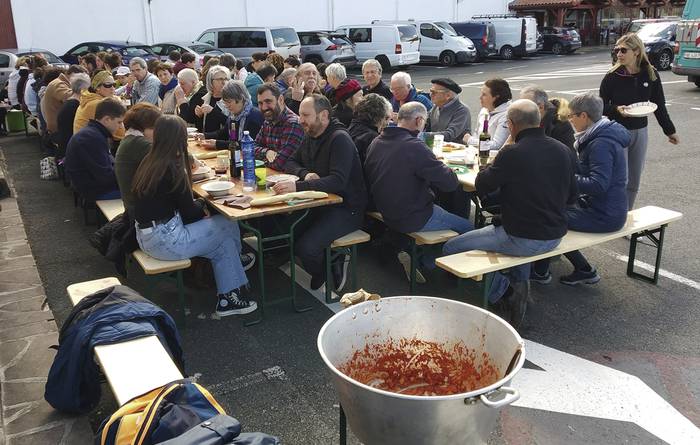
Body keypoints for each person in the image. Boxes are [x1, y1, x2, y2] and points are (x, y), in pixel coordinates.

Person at [443, 100, 578, 329]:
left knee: (449, 248)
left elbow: (482, 184)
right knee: (514, 238)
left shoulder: (513, 153)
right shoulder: (563, 150)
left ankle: (503, 292)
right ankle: (520, 286)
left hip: (521, 237)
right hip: (555, 235)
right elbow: (572, 197)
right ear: (539, 120)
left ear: (511, 125)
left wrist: (500, 154)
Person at [131, 115, 256, 317]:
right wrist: (203, 203)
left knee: (223, 243)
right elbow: (190, 214)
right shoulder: (172, 166)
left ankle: (229, 298)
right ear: (180, 138)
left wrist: (200, 206)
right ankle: (237, 263)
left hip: (147, 236)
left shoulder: (150, 160)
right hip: (166, 240)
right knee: (226, 222)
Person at [365, 102, 473, 282]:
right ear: (419, 120)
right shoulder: (414, 146)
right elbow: (450, 183)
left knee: (445, 214)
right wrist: (441, 166)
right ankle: (428, 262)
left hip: (385, 210)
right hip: (414, 215)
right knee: (468, 229)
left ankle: (420, 256)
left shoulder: (377, 141)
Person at [532, 93, 629, 286]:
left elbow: (598, 184)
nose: (569, 121)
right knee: (551, 208)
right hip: (603, 207)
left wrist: (565, 177)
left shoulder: (601, 143)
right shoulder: (599, 134)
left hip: (604, 215)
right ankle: (582, 269)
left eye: (572, 116)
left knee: (546, 216)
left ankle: (541, 271)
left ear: (584, 116)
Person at [273, 94, 367, 291]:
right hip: (319, 203)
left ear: (323, 115)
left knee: (306, 248)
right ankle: (329, 257)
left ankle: (329, 264)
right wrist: (305, 174)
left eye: (306, 115)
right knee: (287, 234)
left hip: (347, 208)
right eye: (300, 115)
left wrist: (298, 186)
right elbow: (290, 162)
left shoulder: (340, 139)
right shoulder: (311, 135)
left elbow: (338, 182)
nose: (301, 120)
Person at [600, 33, 678, 209]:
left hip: (640, 131)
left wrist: (670, 131)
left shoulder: (650, 74)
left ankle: (627, 216)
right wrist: (617, 109)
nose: (618, 54)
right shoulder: (612, 76)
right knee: (620, 177)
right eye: (616, 50)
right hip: (617, 131)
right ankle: (613, 214)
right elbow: (601, 105)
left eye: (623, 50)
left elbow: (659, 105)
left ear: (636, 52)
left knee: (634, 178)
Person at [64, 98, 126, 200]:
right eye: (119, 122)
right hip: (93, 191)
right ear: (106, 119)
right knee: (140, 193)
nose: (121, 127)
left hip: (90, 186)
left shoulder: (93, 133)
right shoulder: (92, 138)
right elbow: (105, 177)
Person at [114, 103, 162, 216]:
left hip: (133, 206)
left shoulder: (130, 139)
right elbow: (173, 158)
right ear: (145, 127)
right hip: (141, 213)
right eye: (155, 128)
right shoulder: (139, 143)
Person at [199, 80, 264, 149]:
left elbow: (246, 144)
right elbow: (224, 133)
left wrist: (217, 144)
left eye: (229, 102)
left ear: (241, 99)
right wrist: (205, 136)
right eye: (225, 102)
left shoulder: (254, 116)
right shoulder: (234, 115)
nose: (227, 106)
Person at [254, 84, 304, 171]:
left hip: (290, 181)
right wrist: (266, 152)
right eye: (260, 103)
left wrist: (258, 160)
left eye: (268, 102)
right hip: (272, 177)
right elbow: (250, 148)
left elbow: (280, 164)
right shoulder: (268, 121)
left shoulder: (293, 124)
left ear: (280, 99)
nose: (264, 107)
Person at [463, 78, 512, 152]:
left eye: (484, 95)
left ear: (496, 97)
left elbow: (497, 145)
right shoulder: (484, 110)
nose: (480, 97)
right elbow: (476, 134)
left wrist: (470, 140)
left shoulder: (507, 115)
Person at [73, 71, 125, 140]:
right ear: (97, 87)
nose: (112, 88)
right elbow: (120, 134)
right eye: (108, 85)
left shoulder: (90, 98)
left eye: (114, 85)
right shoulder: (96, 103)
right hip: (88, 145)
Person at [520, 85, 574, 150]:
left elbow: (568, 156)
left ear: (541, 107)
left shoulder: (560, 126)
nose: (520, 109)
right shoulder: (524, 121)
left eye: (525, 106)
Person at [181, 65, 230, 133]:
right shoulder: (204, 98)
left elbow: (232, 124)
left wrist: (213, 111)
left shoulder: (230, 99)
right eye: (220, 79)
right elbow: (201, 127)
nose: (224, 82)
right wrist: (199, 116)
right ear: (211, 81)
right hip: (206, 140)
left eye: (226, 79)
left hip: (222, 141)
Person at [41, 65, 87, 137]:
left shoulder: (60, 82)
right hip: (57, 131)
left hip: (58, 127)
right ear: (73, 75)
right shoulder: (58, 84)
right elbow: (73, 98)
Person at [347, 93, 392, 165]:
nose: (387, 123)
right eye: (386, 118)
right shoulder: (373, 139)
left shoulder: (353, 126)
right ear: (379, 115)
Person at [425, 78, 471, 143]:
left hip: (457, 151)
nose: (430, 95)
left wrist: (423, 136)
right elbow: (425, 124)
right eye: (430, 91)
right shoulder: (436, 107)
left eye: (434, 92)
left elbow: (450, 135)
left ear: (448, 96)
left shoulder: (462, 110)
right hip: (438, 147)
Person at [55, 73, 91, 158]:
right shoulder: (75, 106)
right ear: (83, 89)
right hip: (70, 150)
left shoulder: (69, 102)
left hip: (64, 145)